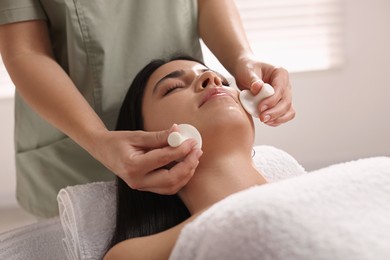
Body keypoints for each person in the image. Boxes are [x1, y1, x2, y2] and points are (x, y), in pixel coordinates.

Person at [0, 0, 294, 218]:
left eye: (217, 77)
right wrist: (97, 138)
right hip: (74, 153)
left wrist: (243, 58)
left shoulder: (310, 191)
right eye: (173, 87)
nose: (212, 77)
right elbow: (25, 51)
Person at [104, 56, 268, 259]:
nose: (212, 78)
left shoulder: (314, 189)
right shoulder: (128, 255)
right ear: (143, 149)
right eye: (173, 87)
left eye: (224, 82)